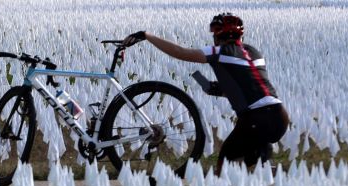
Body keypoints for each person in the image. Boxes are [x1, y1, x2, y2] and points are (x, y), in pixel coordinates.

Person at [122, 14, 289, 174]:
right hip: (279, 117)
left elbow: (181, 52)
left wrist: (147, 35)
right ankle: (268, 180)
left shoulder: (220, 51)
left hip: (255, 119)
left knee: (226, 165)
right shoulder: (254, 52)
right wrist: (222, 90)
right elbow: (252, 88)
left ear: (217, 36)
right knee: (251, 162)